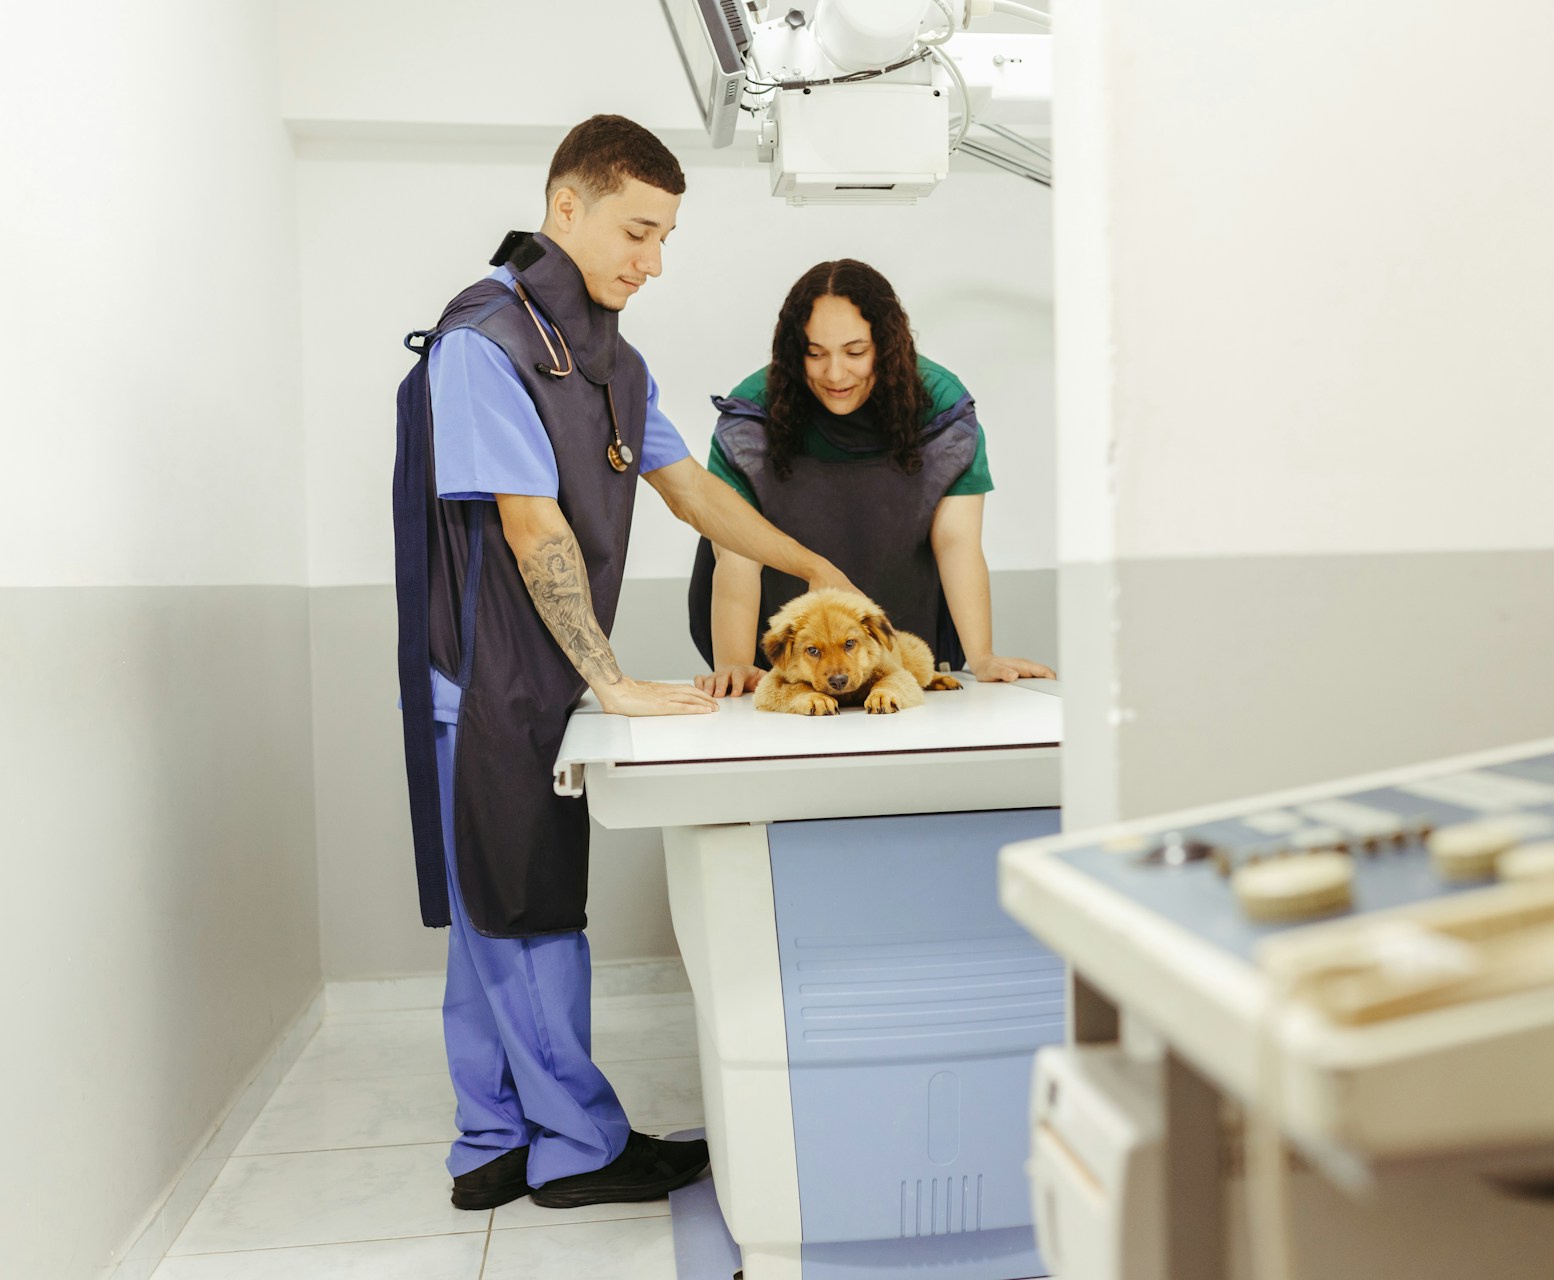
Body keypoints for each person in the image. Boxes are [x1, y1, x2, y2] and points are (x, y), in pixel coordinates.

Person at [392, 115, 852, 1212]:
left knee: (491, 913)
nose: (653, 260)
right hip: (489, 681)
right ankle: (575, 1148)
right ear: (567, 207)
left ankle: (491, 1138)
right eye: (638, 231)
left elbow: (693, 491)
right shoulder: (484, 343)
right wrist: (610, 677)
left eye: (667, 236)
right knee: (525, 908)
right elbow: (528, 523)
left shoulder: (610, 363)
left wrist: (815, 565)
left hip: (541, 675)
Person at [689, 259, 1056, 696]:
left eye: (856, 352)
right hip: (790, 656)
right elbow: (736, 552)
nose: (835, 373)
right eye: (814, 353)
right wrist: (735, 662)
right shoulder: (751, 413)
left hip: (901, 629)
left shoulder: (941, 406)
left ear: (886, 344)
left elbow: (957, 541)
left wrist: (983, 657)